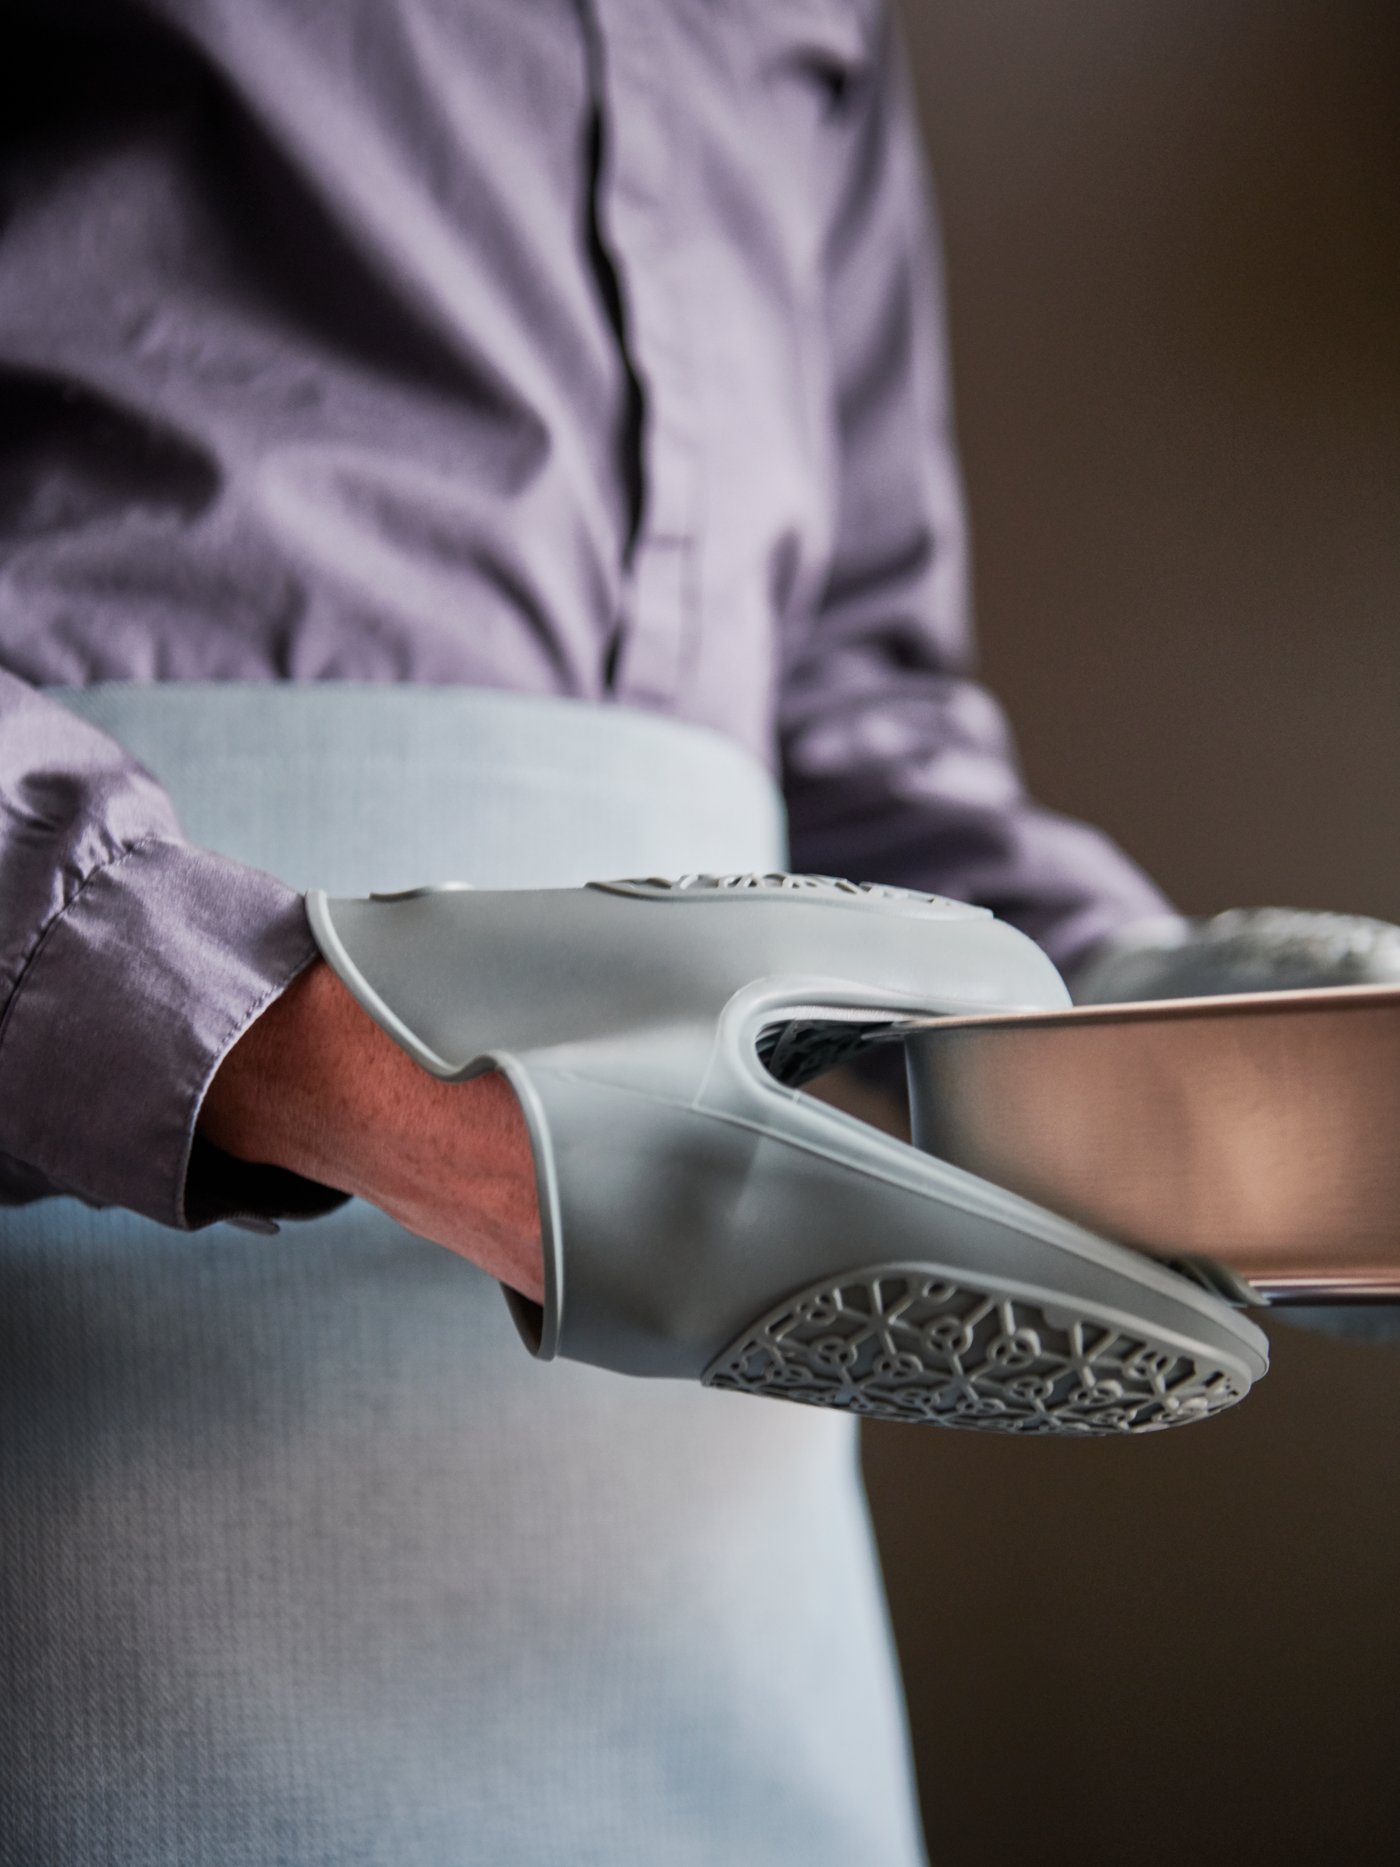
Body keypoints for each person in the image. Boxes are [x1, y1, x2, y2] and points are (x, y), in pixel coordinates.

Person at [2, 4, 1394, 1863]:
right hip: (106, 1286)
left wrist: (1133, 1021)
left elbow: (847, 711)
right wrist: (312, 1059)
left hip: (716, 1452)